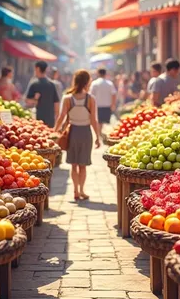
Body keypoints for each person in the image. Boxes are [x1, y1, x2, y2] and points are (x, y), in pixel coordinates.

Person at [55, 69, 100, 201]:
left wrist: (54, 130)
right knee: (83, 164)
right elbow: (93, 120)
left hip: (72, 133)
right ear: (87, 82)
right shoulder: (91, 99)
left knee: (74, 164)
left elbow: (61, 117)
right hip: (86, 133)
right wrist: (97, 137)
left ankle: (75, 191)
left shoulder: (68, 98)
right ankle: (81, 190)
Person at [25, 60, 59, 128]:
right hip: (50, 119)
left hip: (38, 119)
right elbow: (56, 103)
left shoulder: (34, 84)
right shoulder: (51, 84)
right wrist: (57, 118)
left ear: (37, 69)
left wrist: (35, 99)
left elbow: (27, 101)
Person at [90, 68, 117, 135]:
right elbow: (114, 94)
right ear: (105, 74)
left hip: (97, 106)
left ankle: (99, 134)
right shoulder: (109, 83)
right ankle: (101, 134)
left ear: (98, 73)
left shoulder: (94, 83)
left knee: (99, 121)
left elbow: (91, 95)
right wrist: (113, 104)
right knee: (104, 121)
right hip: (107, 105)